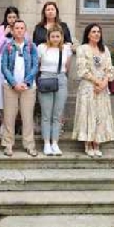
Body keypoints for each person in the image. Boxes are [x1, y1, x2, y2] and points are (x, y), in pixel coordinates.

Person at [72, 23, 114, 157]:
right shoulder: (82, 49)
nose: (97, 34)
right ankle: (88, 142)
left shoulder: (105, 49)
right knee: (88, 114)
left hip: (102, 88)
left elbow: (110, 69)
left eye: (98, 32)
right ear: (88, 34)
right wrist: (96, 82)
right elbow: (82, 70)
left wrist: (104, 83)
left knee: (100, 115)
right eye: (93, 31)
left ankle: (97, 142)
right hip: (88, 87)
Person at [0, 20, 39, 157]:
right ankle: (8, 144)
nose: (19, 30)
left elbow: (35, 66)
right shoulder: (8, 46)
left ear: (25, 30)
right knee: (9, 116)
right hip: (10, 86)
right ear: (12, 30)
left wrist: (26, 82)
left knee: (27, 117)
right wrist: (14, 83)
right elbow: (4, 67)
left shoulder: (31, 46)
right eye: (16, 28)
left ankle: (29, 144)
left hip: (28, 88)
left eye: (22, 28)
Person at [37, 26, 72, 156]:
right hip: (46, 78)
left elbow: (67, 67)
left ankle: (55, 143)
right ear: (49, 37)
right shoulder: (42, 48)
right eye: (53, 36)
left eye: (58, 36)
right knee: (46, 114)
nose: (55, 39)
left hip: (61, 79)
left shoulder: (66, 49)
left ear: (61, 37)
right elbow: (38, 64)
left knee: (57, 115)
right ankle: (46, 143)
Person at [0, 7, 20, 117]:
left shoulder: (21, 29)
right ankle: (2, 117)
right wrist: (4, 34)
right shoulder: (0, 29)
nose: (12, 20)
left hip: (17, 64)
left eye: (14, 17)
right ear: (6, 18)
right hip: (1, 63)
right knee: (1, 91)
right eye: (9, 17)